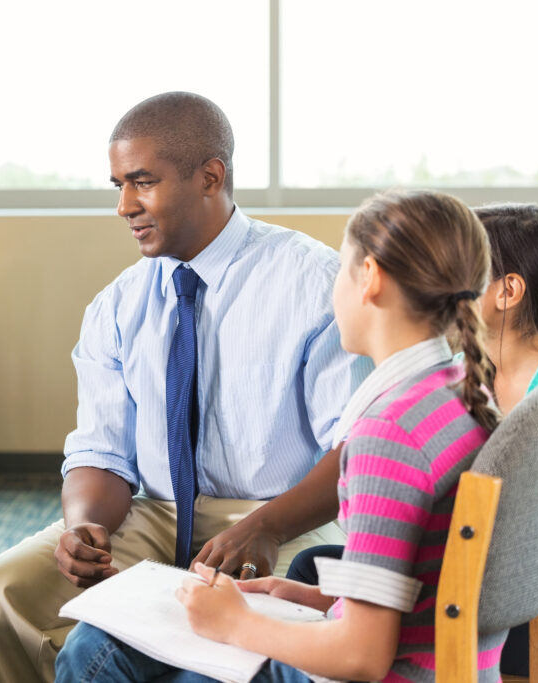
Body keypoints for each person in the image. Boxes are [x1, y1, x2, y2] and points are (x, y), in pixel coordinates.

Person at [0, 91, 368, 682]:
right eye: (118, 186)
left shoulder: (312, 284)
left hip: (279, 515)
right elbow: (101, 451)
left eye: (142, 182)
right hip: (154, 513)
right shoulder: (117, 304)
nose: (125, 205)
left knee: (237, 645)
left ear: (211, 177)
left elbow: (356, 449)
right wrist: (87, 525)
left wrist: (264, 526)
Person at [57, 189, 502, 682]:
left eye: (343, 272)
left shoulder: (386, 435)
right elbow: (426, 575)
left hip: (378, 668)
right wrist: (315, 599)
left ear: (370, 279)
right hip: (425, 652)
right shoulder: (459, 393)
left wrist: (237, 623)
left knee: (94, 654)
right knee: (98, 642)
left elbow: (362, 656)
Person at [284, 202, 538, 678]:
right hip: (485, 595)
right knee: (315, 565)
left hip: (520, 599)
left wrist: (233, 623)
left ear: (508, 290)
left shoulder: (515, 398)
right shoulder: (473, 382)